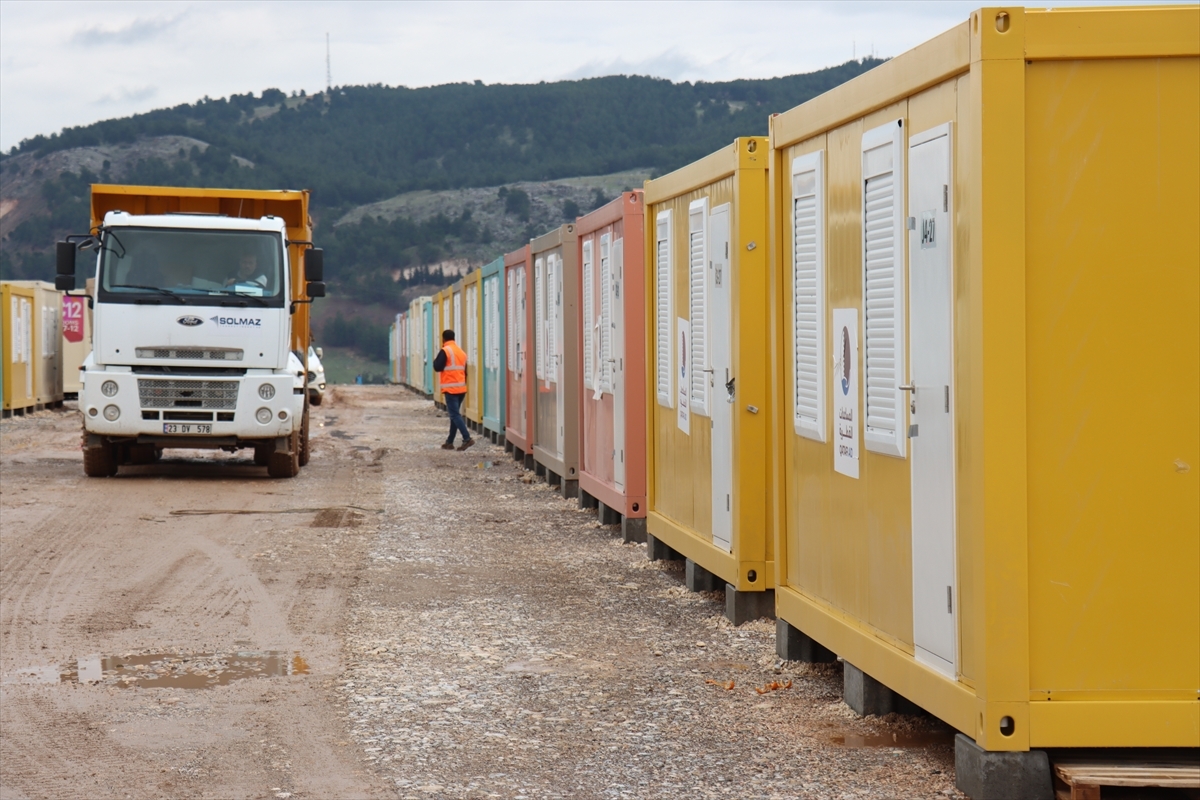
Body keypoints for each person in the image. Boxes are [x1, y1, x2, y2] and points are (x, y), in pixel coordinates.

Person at [433, 329, 474, 451]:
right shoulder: (461, 352)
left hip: (451, 389)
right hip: (461, 388)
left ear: (443, 339)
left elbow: (437, 367)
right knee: (454, 415)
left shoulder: (445, 351)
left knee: (455, 415)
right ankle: (449, 442)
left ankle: (467, 439)